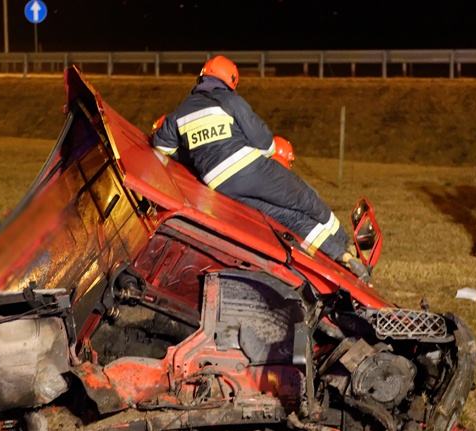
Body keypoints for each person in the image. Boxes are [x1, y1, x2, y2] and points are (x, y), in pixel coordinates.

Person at [153, 56, 365, 276]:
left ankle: (338, 256)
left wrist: (199, 159)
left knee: (286, 218)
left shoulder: (181, 111)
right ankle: (345, 247)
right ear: (230, 81)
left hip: (219, 185)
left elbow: (162, 146)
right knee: (305, 197)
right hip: (250, 169)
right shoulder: (230, 100)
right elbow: (265, 145)